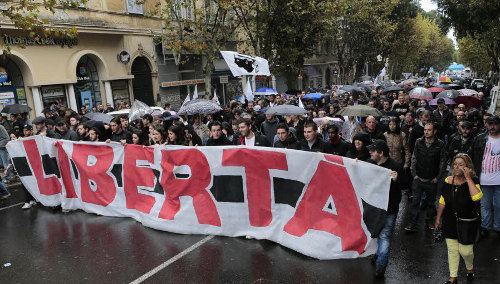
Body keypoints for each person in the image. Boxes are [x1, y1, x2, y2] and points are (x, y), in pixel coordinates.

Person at [435, 154, 482, 284]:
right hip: (449, 220)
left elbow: (477, 197)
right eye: (455, 164)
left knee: (465, 252)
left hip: (467, 222)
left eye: (461, 164)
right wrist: (438, 218)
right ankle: (453, 277)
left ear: (467, 167)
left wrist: (468, 178)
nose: (457, 167)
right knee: (452, 250)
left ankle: (470, 268)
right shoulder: (447, 181)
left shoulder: (473, 181)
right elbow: (442, 200)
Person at [367, 140, 406, 278]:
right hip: (373, 207)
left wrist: (397, 179)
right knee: (374, 231)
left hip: (389, 209)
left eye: (373, 150)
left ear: (381, 153)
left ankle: (381, 265)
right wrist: (355, 164)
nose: (370, 152)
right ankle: (377, 253)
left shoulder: (395, 167)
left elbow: (406, 185)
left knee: (385, 236)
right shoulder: (370, 163)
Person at [405, 122, 447, 232]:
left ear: (434, 131)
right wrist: (414, 174)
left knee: (430, 203)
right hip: (418, 178)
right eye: (425, 130)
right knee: (415, 202)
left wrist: (438, 177)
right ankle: (413, 223)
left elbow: (443, 161)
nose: (426, 132)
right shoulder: (419, 142)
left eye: (429, 130)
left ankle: (429, 220)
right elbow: (414, 158)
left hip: (431, 179)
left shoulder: (440, 144)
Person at [469, 115, 500, 238]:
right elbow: (471, 156)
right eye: (490, 124)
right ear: (486, 124)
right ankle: (485, 227)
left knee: (499, 205)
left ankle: (498, 227)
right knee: (485, 205)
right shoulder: (479, 139)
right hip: (484, 179)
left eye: (495, 124)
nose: (492, 127)